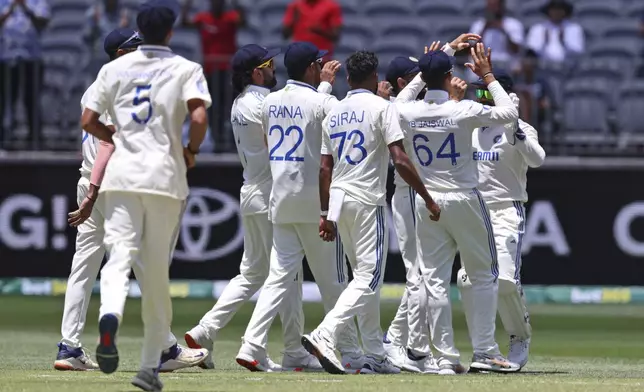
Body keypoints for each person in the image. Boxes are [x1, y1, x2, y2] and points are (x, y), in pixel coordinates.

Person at [57, 27, 208, 375]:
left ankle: (69, 346)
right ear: (122, 54)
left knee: (84, 267)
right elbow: (108, 146)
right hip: (109, 188)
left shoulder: (95, 87)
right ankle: (165, 348)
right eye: (137, 47)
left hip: (91, 183)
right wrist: (95, 193)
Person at [301, 50, 440, 375]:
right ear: (375, 77)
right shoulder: (382, 108)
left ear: (348, 78)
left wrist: (325, 212)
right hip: (366, 200)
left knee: (363, 279)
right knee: (367, 277)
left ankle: (375, 355)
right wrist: (428, 197)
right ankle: (325, 333)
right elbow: (400, 160)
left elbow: (325, 169)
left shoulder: (333, 112)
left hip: (338, 199)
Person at [185, 44, 320, 372]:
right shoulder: (262, 104)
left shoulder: (241, 103)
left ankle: (206, 331)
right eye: (270, 65)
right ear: (257, 72)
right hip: (271, 194)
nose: (275, 70)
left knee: (256, 273)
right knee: (285, 272)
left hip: (254, 191)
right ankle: (289, 349)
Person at [236, 41, 366, 374]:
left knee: (278, 278)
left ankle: (252, 346)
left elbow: (268, 143)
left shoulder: (270, 101)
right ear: (311, 68)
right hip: (315, 205)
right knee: (334, 280)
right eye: (319, 63)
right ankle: (350, 353)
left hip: (280, 201)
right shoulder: (325, 101)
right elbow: (333, 152)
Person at [396, 44, 521, 374]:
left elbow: (399, 101)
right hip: (464, 197)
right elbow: (509, 113)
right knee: (483, 275)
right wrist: (487, 75)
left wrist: (425, 71)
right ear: (450, 76)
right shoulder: (461, 109)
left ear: (423, 78)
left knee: (434, 280)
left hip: (428, 201)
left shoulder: (408, 112)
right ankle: (484, 351)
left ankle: (446, 359)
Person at [378, 34, 480, 374]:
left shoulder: (407, 106)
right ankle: (404, 344)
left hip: (420, 192)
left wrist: (439, 62)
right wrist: (441, 69)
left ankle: (411, 345)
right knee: (419, 275)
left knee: (425, 275)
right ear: (404, 82)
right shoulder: (400, 109)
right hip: (413, 191)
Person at [458, 70, 545, 371]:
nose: (480, 99)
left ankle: (519, 336)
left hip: (507, 209)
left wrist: (515, 130)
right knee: (467, 280)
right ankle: (483, 347)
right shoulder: (471, 128)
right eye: (478, 93)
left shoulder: (521, 127)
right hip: (474, 210)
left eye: (485, 93)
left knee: (505, 280)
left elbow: (537, 159)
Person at [181, 0, 245, 151]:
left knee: (230, 107)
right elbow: (185, 23)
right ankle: (217, 142)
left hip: (228, 72)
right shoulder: (203, 18)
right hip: (210, 72)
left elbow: (243, 21)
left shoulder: (230, 18)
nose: (217, 5)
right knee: (213, 108)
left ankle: (232, 141)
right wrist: (187, 4)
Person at [0, 0, 50, 149]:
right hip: (6, 57)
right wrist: (11, 8)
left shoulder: (37, 2)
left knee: (31, 99)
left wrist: (24, 7)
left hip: (31, 58)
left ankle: (34, 137)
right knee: (5, 100)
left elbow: (42, 21)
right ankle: (4, 137)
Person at [469, 0, 523, 71]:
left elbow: (516, 50)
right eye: (490, 6)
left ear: (502, 6)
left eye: (494, 6)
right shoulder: (478, 25)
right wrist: (485, 28)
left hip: (507, 64)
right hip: (484, 63)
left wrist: (503, 30)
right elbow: (472, 49)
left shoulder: (513, 24)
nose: (492, 9)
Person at [526, 0, 584, 65]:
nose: (556, 12)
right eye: (553, 9)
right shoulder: (537, 28)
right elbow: (531, 52)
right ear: (548, 11)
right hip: (543, 66)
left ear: (565, 11)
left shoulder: (574, 28)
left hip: (567, 66)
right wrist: (544, 43)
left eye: (560, 9)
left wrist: (564, 42)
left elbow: (578, 52)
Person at [83, 0, 131, 76]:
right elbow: (86, 37)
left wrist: (124, 28)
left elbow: (133, 39)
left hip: (118, 59)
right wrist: (94, 25)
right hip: (99, 58)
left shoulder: (124, 14)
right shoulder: (94, 13)